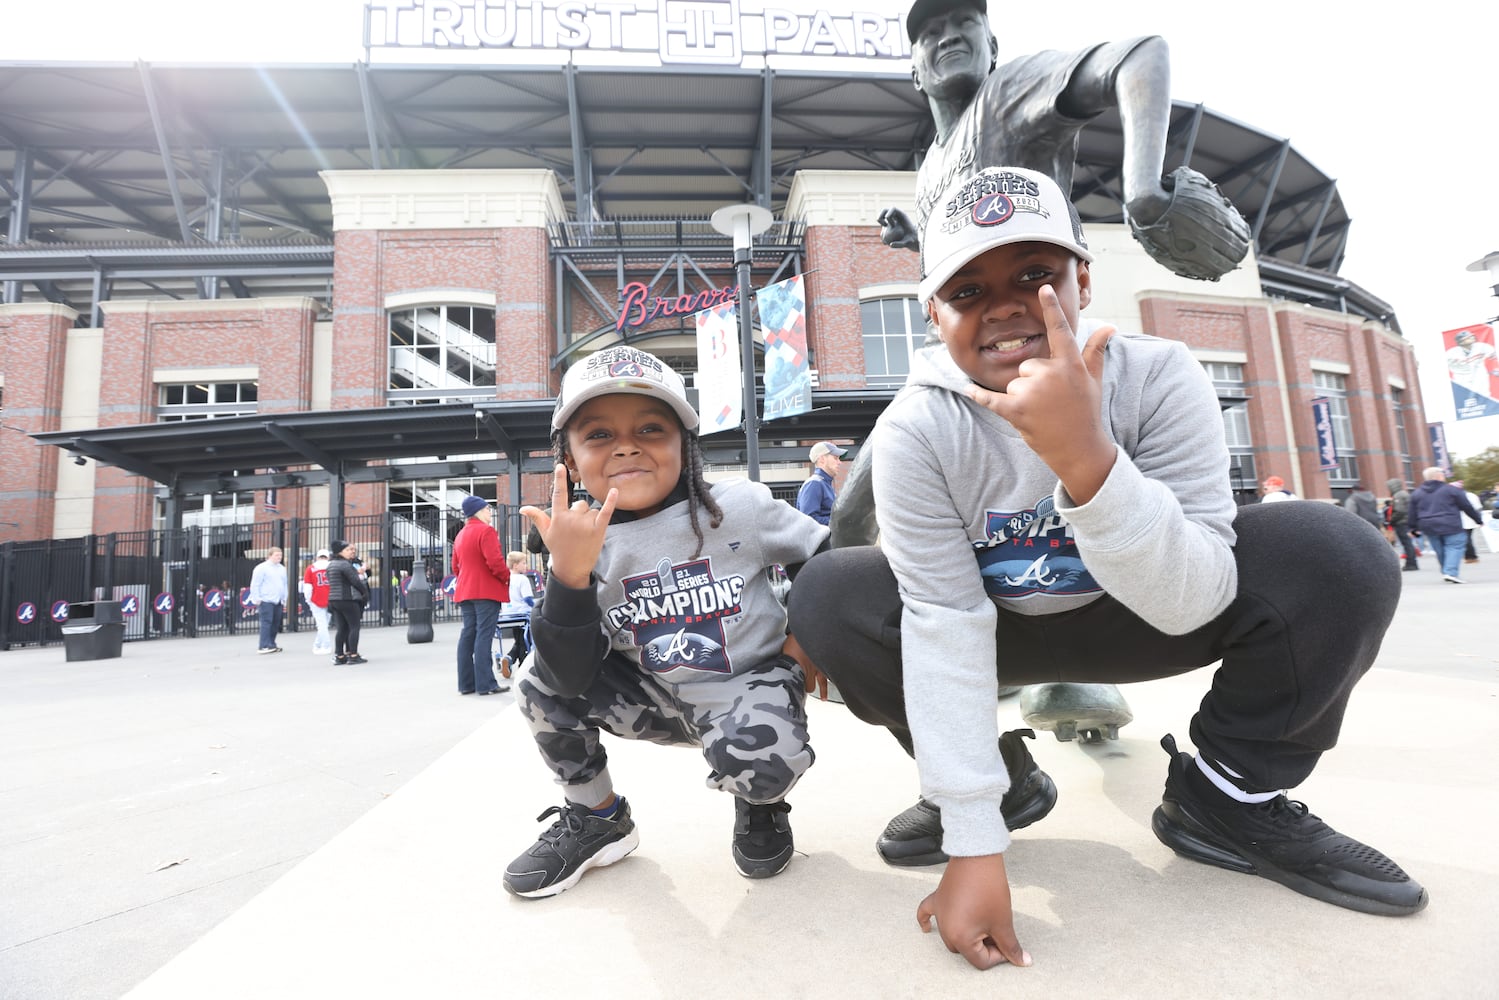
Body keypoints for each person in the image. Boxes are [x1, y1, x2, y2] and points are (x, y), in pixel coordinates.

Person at [787, 166, 1426, 971]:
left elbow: (1194, 598)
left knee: (1336, 552)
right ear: (932, 312)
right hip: (997, 634)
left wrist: (1084, 458)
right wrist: (971, 840)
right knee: (830, 591)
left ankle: (1228, 797)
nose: (1006, 306)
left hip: (1146, 613)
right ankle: (996, 784)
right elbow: (944, 625)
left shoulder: (1156, 375)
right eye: (968, 290)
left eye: (1034, 274)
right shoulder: (919, 425)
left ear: (1081, 278)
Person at [503, 345, 828, 898]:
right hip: (650, 696)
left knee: (762, 757)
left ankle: (760, 805)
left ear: (685, 444)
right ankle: (597, 818)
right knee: (534, 677)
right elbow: (565, 677)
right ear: (571, 458)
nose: (627, 445)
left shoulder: (739, 506)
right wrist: (570, 576)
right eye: (598, 434)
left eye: (652, 428)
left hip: (745, 690)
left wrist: (803, 651)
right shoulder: (579, 537)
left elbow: (830, 563)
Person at [452, 494, 510, 697]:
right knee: (484, 635)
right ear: (477, 511)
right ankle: (486, 684)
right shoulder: (486, 531)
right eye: (487, 509)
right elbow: (494, 562)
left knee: (468, 635)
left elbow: (455, 566)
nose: (489, 512)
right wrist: (506, 577)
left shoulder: (460, 534)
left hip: (465, 591)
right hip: (485, 591)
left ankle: (466, 684)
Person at [1410, 468, 1483, 583]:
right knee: (1455, 545)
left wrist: (1413, 527)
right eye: (1443, 474)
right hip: (1450, 523)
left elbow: (1412, 512)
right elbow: (1466, 506)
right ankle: (1450, 572)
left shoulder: (1417, 493)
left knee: (1440, 549)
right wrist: (1478, 520)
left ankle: (1446, 571)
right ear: (1439, 476)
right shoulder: (1452, 490)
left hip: (1428, 525)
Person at [326, 539, 369, 664]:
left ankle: (340, 656)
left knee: (342, 629)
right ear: (340, 552)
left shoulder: (331, 564)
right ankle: (353, 655)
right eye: (347, 550)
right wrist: (364, 592)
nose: (351, 552)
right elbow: (355, 581)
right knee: (354, 627)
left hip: (334, 600)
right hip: (347, 599)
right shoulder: (345, 565)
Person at [495, 550, 535, 684]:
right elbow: (528, 599)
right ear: (516, 565)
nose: (526, 566)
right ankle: (523, 667)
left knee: (518, 641)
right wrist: (536, 606)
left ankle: (509, 658)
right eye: (524, 563)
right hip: (523, 614)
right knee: (525, 641)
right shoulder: (522, 579)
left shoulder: (506, 578)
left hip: (508, 614)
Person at [248, 546, 288, 654]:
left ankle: (271, 644)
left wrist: (284, 598)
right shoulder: (261, 568)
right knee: (266, 622)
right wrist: (257, 598)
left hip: (278, 600)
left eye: (280, 555)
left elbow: (284, 584)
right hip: (266, 600)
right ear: (270, 556)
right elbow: (255, 584)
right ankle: (263, 645)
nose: (279, 557)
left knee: (275, 623)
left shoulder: (282, 568)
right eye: (276, 555)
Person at [795, 441, 846, 525]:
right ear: (822, 459)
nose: (839, 462)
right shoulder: (814, 484)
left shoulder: (823, 484)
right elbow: (809, 520)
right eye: (835, 458)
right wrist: (839, 522)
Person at [1444, 328, 1498, 400]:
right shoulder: (1451, 353)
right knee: (1465, 399)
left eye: (1471, 336)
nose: (1472, 338)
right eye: (1468, 337)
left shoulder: (1482, 346)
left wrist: (1495, 368)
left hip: (1480, 377)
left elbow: (1494, 357)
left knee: (1485, 397)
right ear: (1461, 342)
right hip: (1462, 378)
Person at [301, 548, 334, 655]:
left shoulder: (311, 568)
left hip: (316, 598)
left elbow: (307, 587)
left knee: (321, 624)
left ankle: (326, 646)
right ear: (328, 557)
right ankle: (317, 645)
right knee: (325, 624)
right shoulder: (332, 567)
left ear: (317, 557)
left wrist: (308, 599)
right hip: (331, 598)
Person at [1386, 477, 1419, 570]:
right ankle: (1412, 562)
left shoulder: (1398, 496)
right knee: (1408, 543)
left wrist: (1391, 519)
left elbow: (1400, 511)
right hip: (1406, 522)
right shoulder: (1403, 494)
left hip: (1402, 523)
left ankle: (1411, 563)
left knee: (1407, 543)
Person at [1452, 479, 1482, 563]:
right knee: (1467, 538)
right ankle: (1469, 555)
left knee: (1466, 538)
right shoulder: (1472, 495)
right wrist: (1478, 519)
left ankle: (1471, 556)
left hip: (1463, 519)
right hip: (1471, 519)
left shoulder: (1457, 496)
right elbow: (1478, 508)